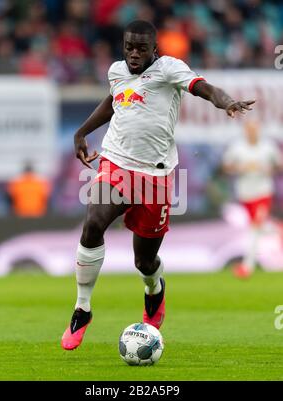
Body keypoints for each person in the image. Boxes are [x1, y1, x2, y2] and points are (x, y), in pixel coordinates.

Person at [61, 20, 255, 350]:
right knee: (93, 224)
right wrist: (81, 133)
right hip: (116, 163)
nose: (134, 54)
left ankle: (154, 290)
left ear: (155, 49)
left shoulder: (169, 69)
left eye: (141, 48)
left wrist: (227, 102)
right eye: (129, 48)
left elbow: (204, 88)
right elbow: (113, 101)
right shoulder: (117, 71)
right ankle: (83, 308)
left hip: (157, 176)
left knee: (144, 261)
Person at [223, 120, 283, 278]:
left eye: (254, 129)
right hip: (245, 194)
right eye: (249, 130)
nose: (252, 132)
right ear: (245, 131)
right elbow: (226, 166)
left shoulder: (268, 146)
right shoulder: (237, 147)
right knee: (257, 227)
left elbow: (279, 164)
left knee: (255, 228)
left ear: (258, 130)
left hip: (263, 192)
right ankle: (277, 229)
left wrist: (269, 168)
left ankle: (246, 267)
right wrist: (240, 168)